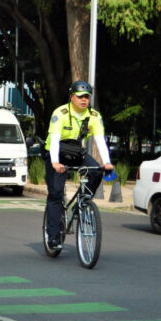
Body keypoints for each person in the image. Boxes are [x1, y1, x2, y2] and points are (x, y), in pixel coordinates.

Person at [43, 81, 114, 250]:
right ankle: (53, 237)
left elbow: (100, 141)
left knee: (97, 171)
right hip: (56, 153)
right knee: (56, 194)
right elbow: (53, 140)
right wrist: (55, 162)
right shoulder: (60, 113)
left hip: (75, 152)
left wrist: (107, 162)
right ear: (72, 97)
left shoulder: (94, 116)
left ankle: (82, 200)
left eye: (87, 97)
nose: (84, 100)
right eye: (80, 96)